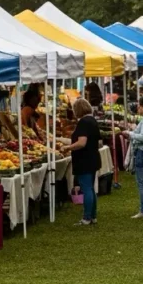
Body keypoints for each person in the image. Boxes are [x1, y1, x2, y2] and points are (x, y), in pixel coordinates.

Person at [64, 97, 101, 227]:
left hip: (84, 159)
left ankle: (86, 217)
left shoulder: (83, 122)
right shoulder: (93, 121)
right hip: (93, 158)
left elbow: (81, 143)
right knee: (90, 188)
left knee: (86, 189)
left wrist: (68, 147)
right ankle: (93, 216)